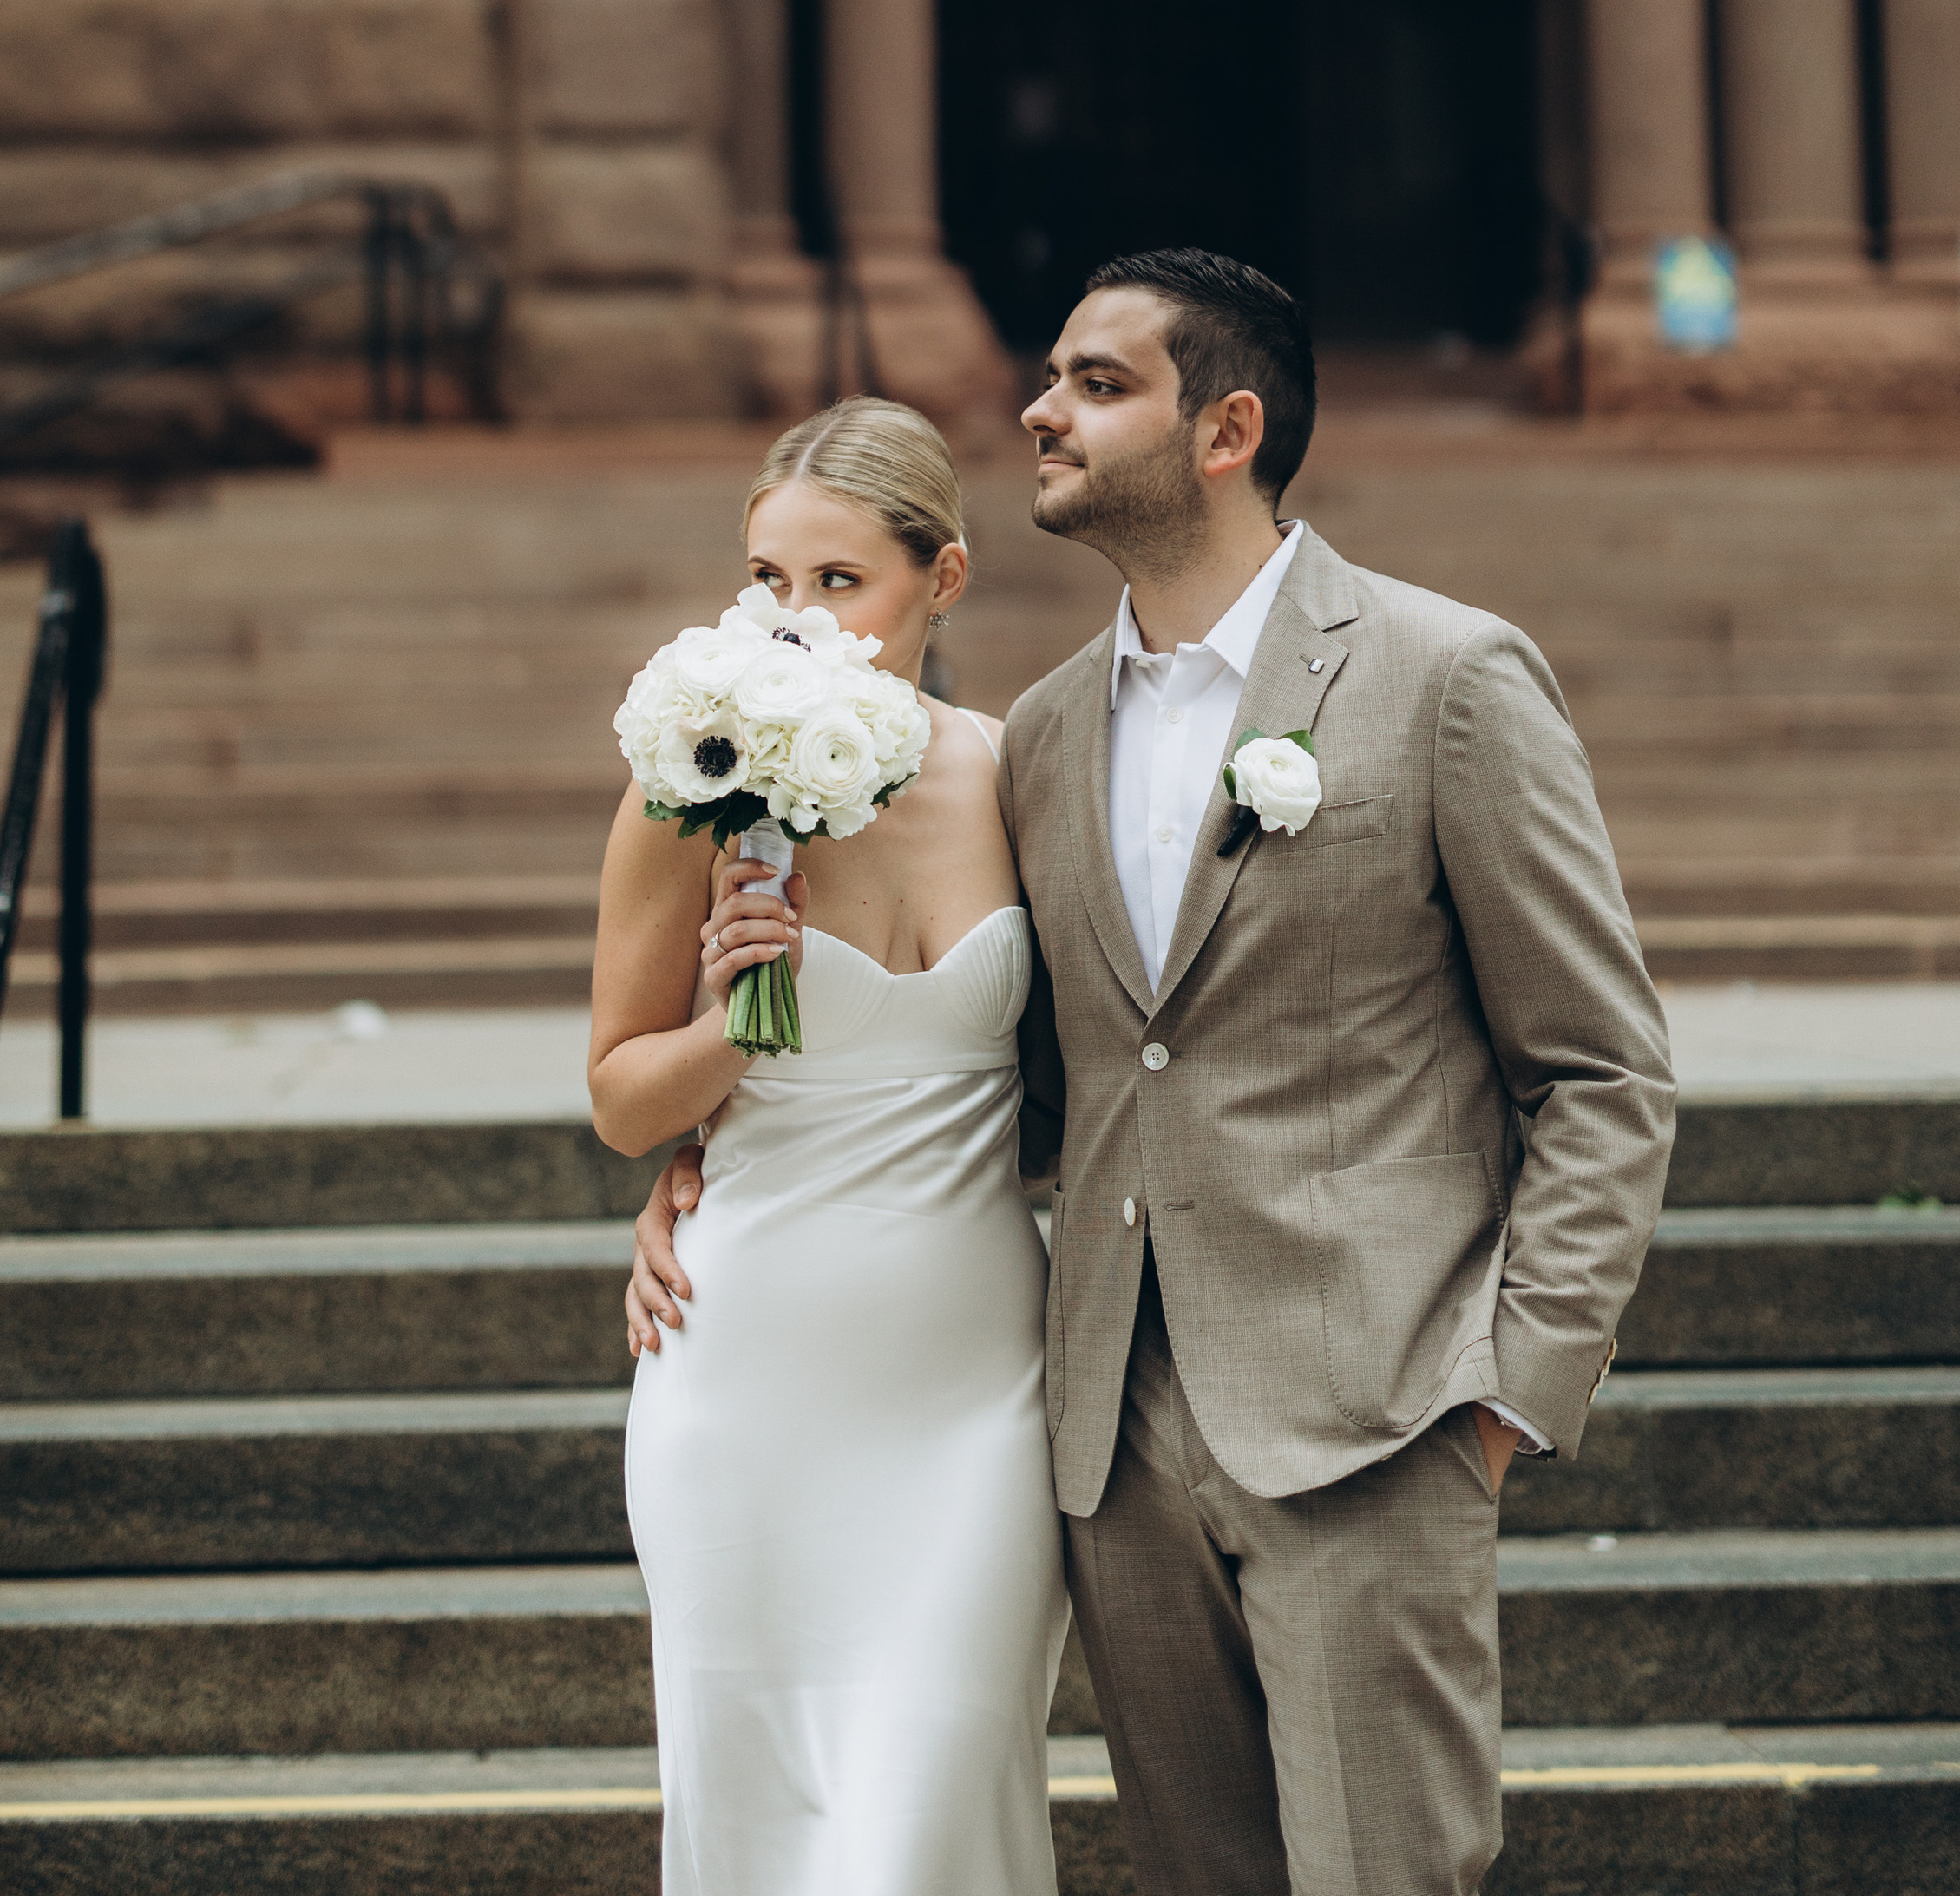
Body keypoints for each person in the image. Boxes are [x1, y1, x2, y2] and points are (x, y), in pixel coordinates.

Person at [630, 248, 1676, 1896]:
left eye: (1098, 383)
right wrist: (724, 1156)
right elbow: (1028, 1077)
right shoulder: (1044, 735)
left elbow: (1602, 1069)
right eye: (1053, 376)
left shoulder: (1445, 676)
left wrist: (1502, 1397)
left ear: (1226, 432)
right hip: (1111, 1445)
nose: (1039, 409)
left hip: (1374, 1416)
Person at [590, 395, 1070, 1896]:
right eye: (768, 578)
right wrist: (736, 1035)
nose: (795, 616)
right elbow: (621, 1098)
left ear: (946, 578)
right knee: (768, 1833)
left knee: (933, 1811)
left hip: (975, 1389)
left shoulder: (1024, 771)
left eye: (840, 579)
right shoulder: (691, 787)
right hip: (749, 1379)